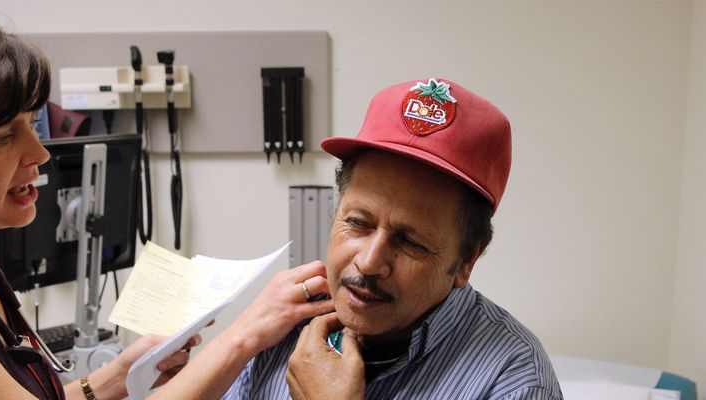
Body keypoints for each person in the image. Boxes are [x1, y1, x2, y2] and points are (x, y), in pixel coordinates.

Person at [0, 4, 333, 400]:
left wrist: (119, 374)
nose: (40, 154)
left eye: (31, 126)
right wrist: (245, 334)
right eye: (3, 136)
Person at [222, 78, 564, 399]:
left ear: (466, 261)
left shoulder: (513, 379)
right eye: (357, 223)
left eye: (411, 242)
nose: (369, 262)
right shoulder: (280, 329)